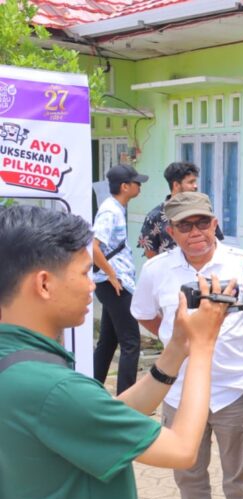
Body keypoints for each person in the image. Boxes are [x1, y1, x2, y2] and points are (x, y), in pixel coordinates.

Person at [0, 204, 230, 499]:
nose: (93, 284)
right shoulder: (53, 389)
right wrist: (203, 347)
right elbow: (183, 449)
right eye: (84, 272)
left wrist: (177, 350)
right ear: (44, 284)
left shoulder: (19, 367)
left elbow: (101, 416)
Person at [131, 192, 243, 499]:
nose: (195, 232)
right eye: (184, 225)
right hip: (181, 392)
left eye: (202, 222)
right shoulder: (157, 271)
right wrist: (179, 343)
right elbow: (147, 317)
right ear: (171, 230)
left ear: (215, 222)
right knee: (188, 475)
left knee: (240, 479)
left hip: (235, 389)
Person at [92, 163, 147, 394]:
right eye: (137, 183)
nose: (140, 186)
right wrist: (113, 276)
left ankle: (90, 389)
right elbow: (94, 247)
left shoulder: (115, 207)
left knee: (108, 341)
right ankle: (127, 398)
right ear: (125, 186)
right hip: (114, 284)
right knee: (131, 342)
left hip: (114, 283)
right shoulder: (110, 211)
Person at [138, 161, 224, 258]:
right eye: (191, 182)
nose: (195, 186)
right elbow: (150, 252)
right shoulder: (155, 216)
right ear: (176, 185)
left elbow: (216, 241)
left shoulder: (202, 210)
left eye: (195, 182)